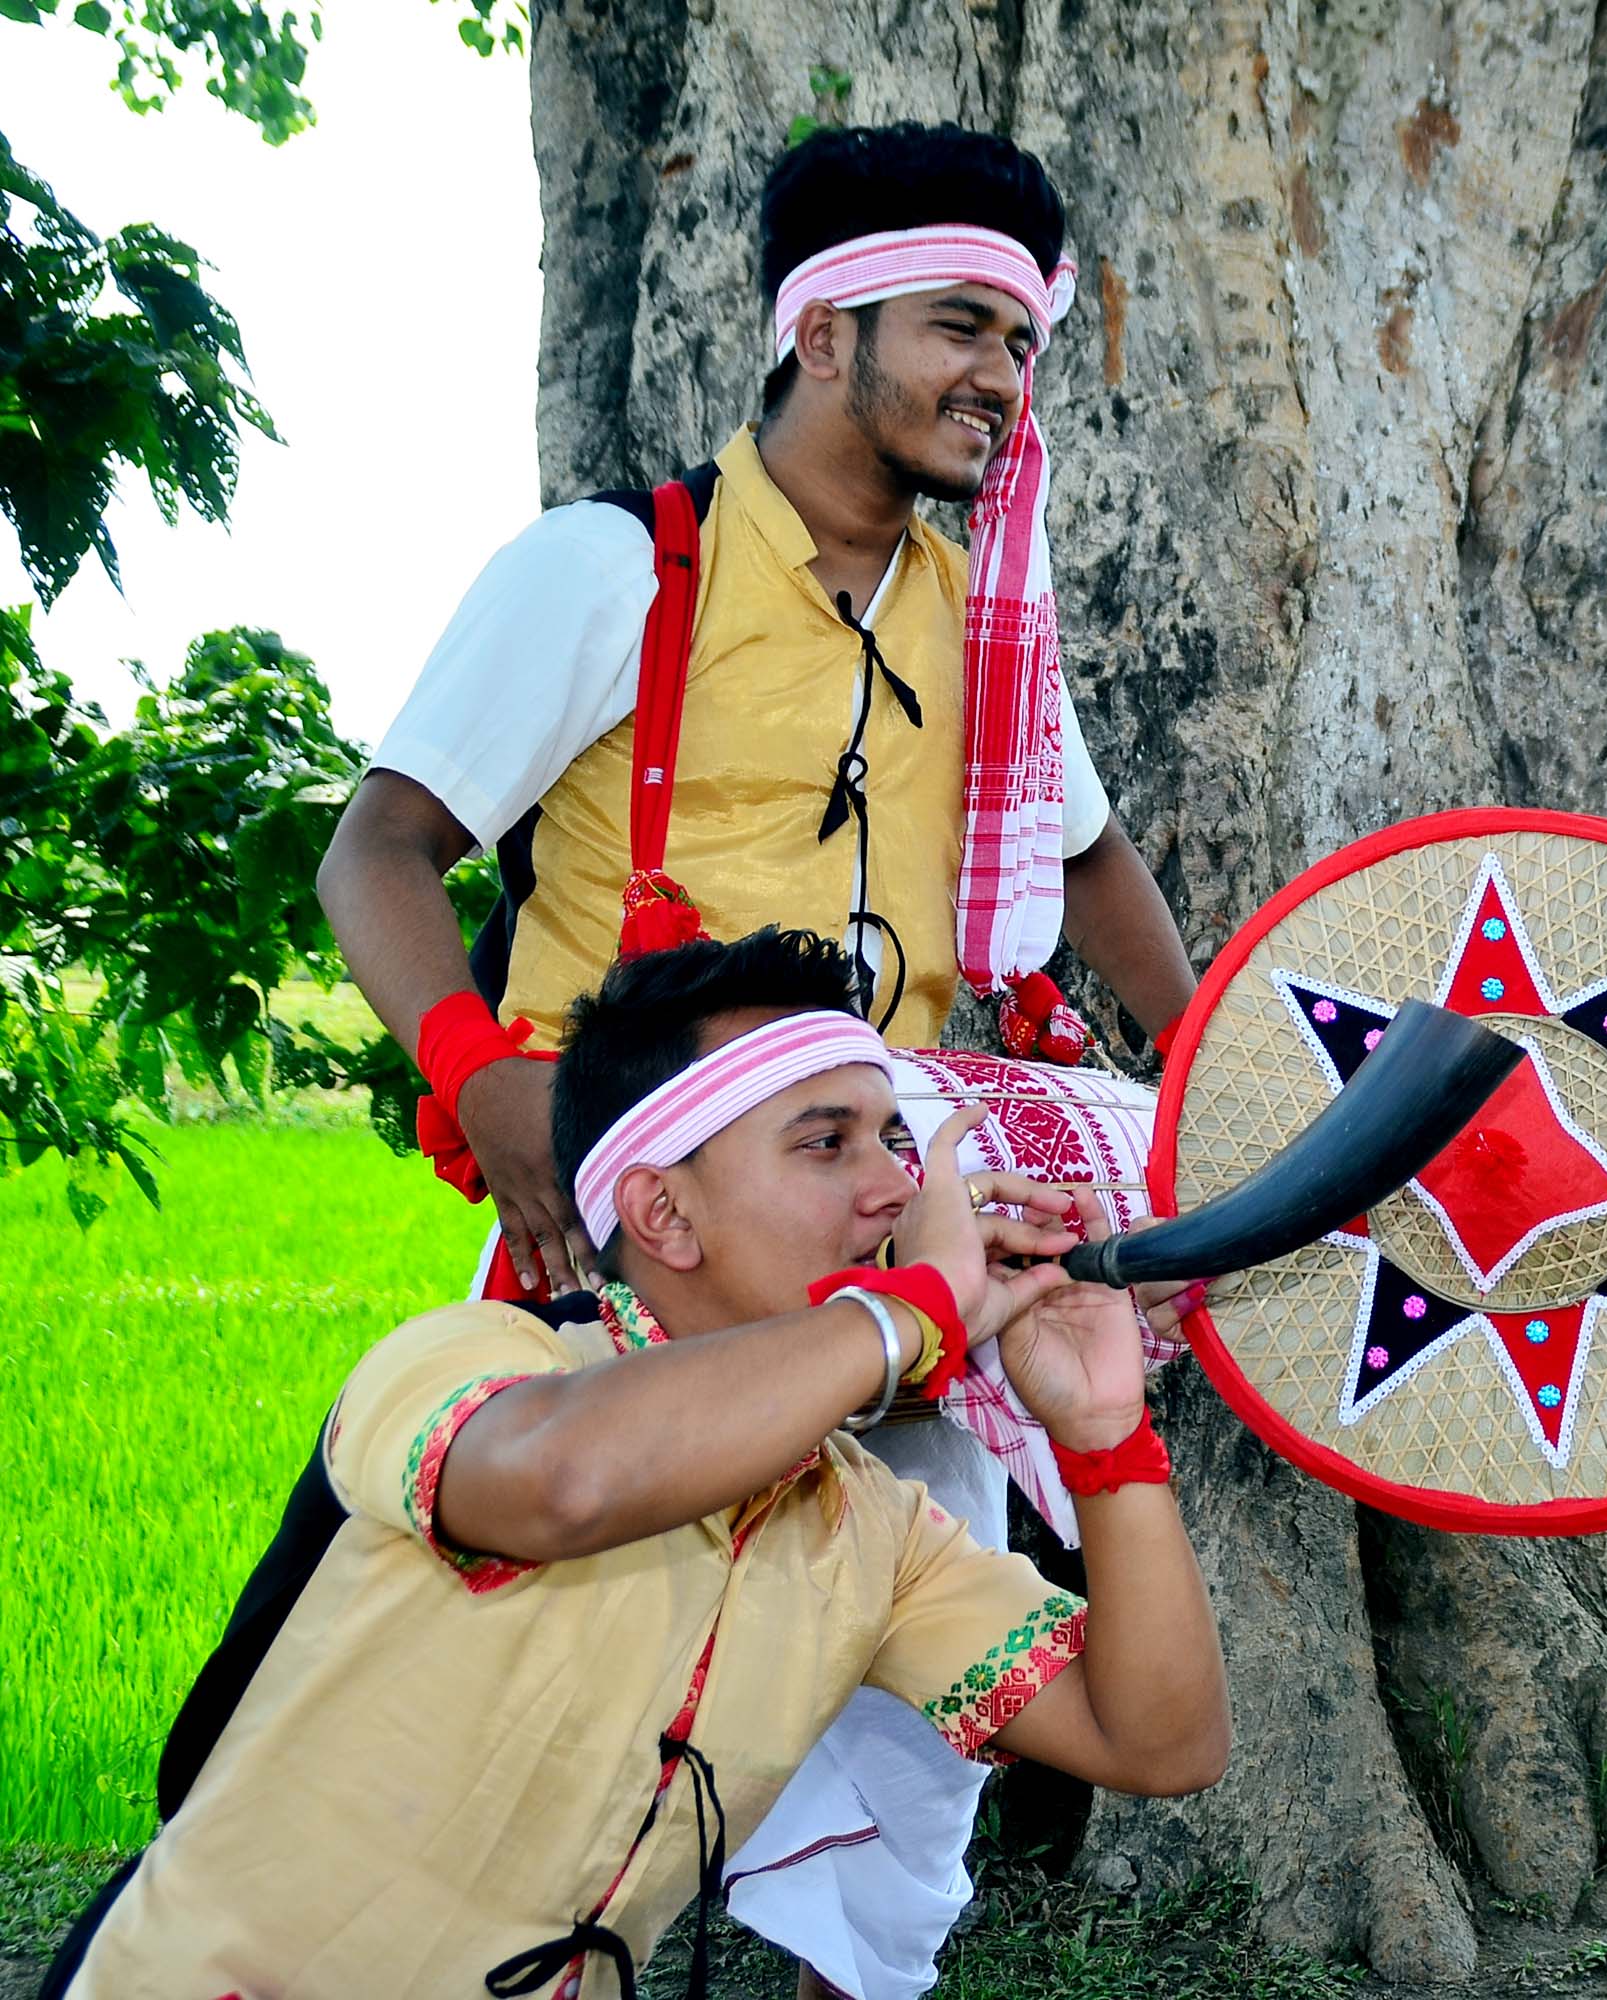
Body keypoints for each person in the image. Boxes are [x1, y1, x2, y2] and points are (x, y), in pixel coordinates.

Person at [312, 122, 1201, 1992]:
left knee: (916, 1556)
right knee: (576, 1645)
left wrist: (1214, 1066)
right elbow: (375, 851)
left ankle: (830, 1969)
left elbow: (1091, 855)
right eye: (960, 322)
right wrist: (490, 1089)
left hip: (882, 1192)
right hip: (642, 1225)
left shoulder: (986, 618)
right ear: (819, 333)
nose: (999, 376)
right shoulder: (608, 571)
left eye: (1023, 341)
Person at [47, 927, 1230, 1999]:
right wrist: (911, 1308)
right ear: (662, 1215)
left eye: (894, 1142)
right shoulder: (483, 1356)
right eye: (826, 1142)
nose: (895, 1188)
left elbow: (1158, 1740)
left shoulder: (866, 1525)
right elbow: (566, 1481)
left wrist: (1099, 1430)